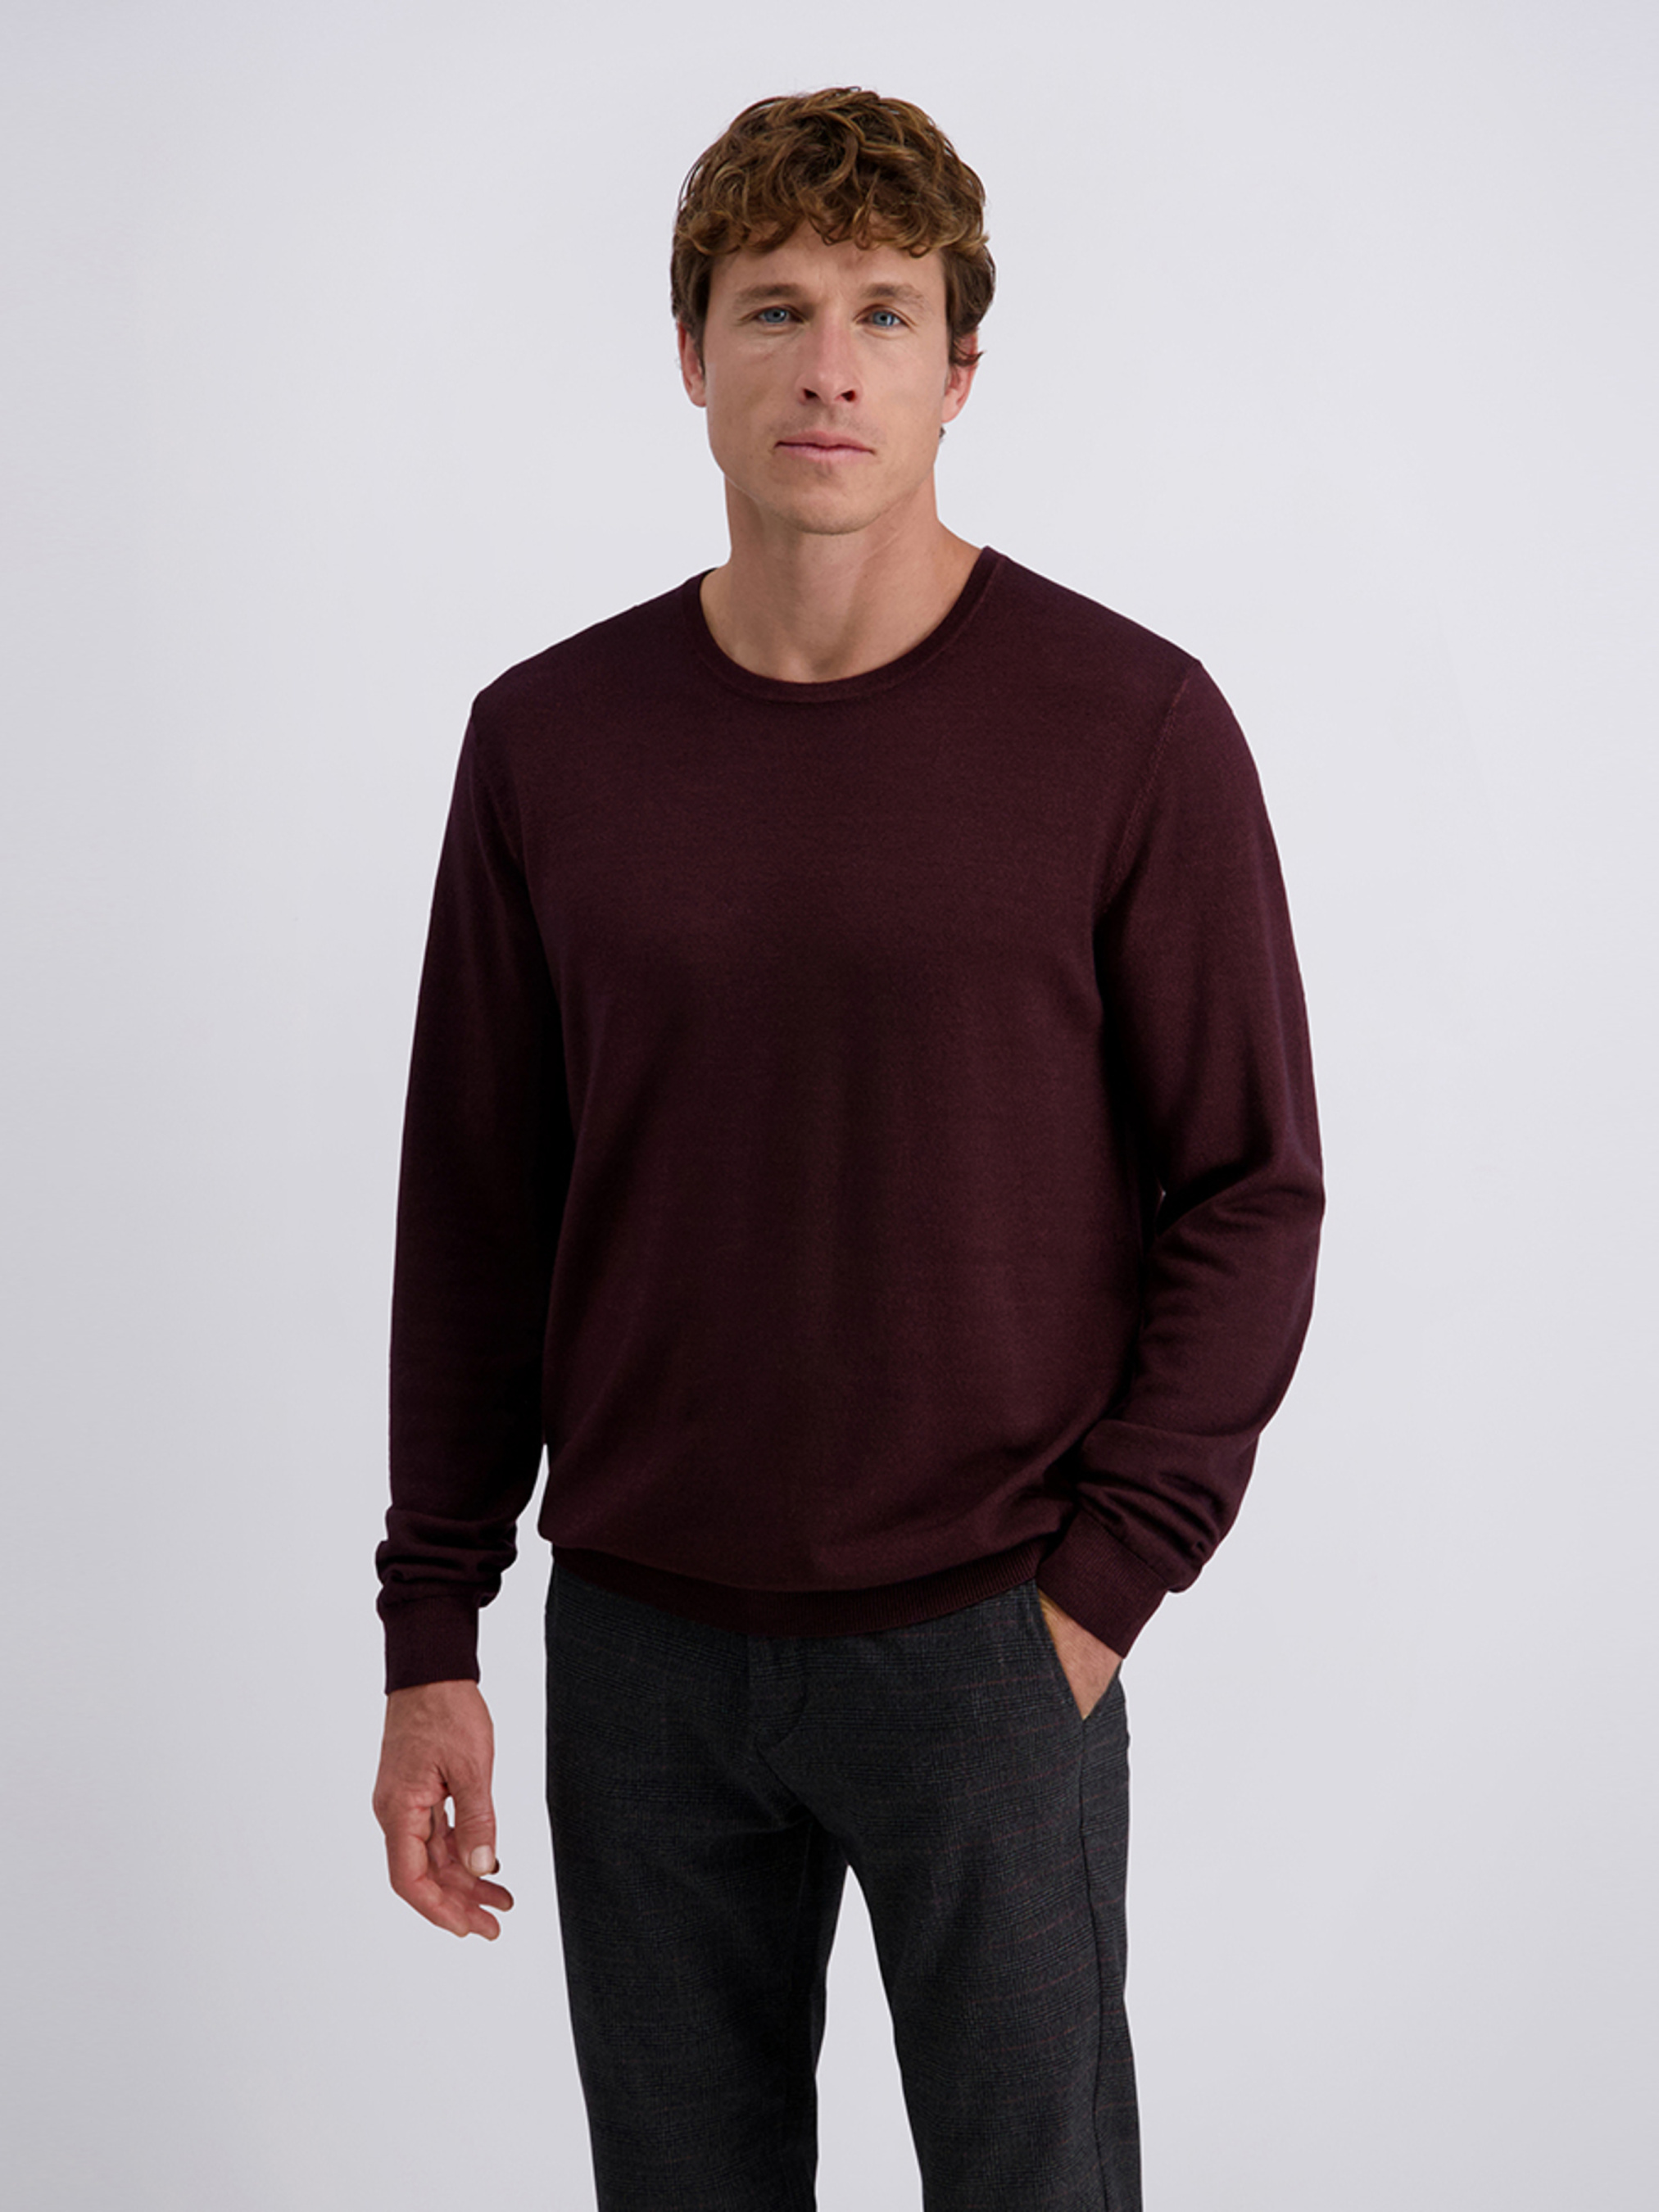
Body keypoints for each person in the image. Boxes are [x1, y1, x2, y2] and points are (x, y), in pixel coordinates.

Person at [372, 85, 1323, 2212]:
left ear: (959, 368)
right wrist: (434, 1627)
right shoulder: (548, 741)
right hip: (641, 1648)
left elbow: (1251, 1186)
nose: (828, 366)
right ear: (689, 351)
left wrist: (1096, 1593)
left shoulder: (1129, 725)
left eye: (884, 314)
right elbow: (476, 1208)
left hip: (988, 1631)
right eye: (775, 308)